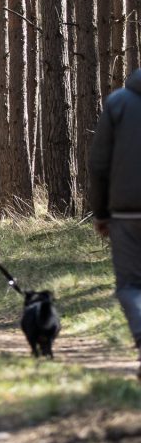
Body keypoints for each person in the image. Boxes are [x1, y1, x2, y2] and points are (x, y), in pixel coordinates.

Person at [90, 67, 141, 382]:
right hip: (123, 213)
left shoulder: (118, 103)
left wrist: (100, 213)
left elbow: (98, 164)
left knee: (131, 285)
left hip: (125, 213)